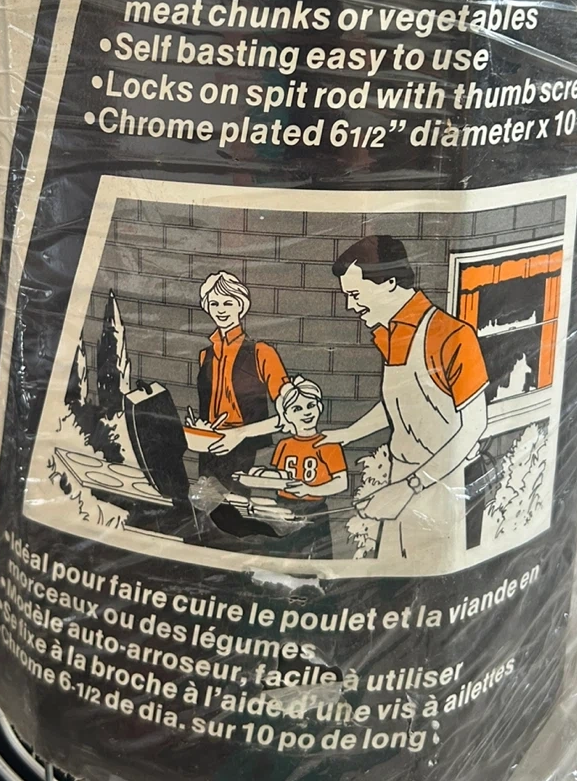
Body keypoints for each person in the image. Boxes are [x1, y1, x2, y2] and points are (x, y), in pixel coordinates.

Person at [327, 236, 489, 572]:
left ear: (389, 283)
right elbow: (403, 400)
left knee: (428, 579)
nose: (350, 307)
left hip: (443, 482)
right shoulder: (391, 333)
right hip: (402, 477)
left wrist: (409, 487)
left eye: (355, 295)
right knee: (392, 575)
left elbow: (475, 424)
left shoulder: (451, 335)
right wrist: (348, 435)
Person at [187, 271, 289, 537]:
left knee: (235, 512)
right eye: (214, 303)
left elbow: (289, 416)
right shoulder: (206, 355)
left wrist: (241, 433)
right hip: (210, 446)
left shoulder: (261, 353)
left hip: (244, 447)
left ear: (241, 306)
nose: (221, 309)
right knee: (207, 511)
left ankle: (266, 535)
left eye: (228, 302)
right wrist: (201, 427)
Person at [264, 377, 348, 558]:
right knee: (283, 555)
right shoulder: (284, 445)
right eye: (297, 409)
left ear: (320, 407)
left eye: (311, 405)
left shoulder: (328, 443)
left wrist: (310, 489)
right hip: (284, 507)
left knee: (318, 558)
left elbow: (341, 482)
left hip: (314, 509)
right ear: (287, 415)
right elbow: (282, 477)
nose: (306, 412)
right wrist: (263, 476)